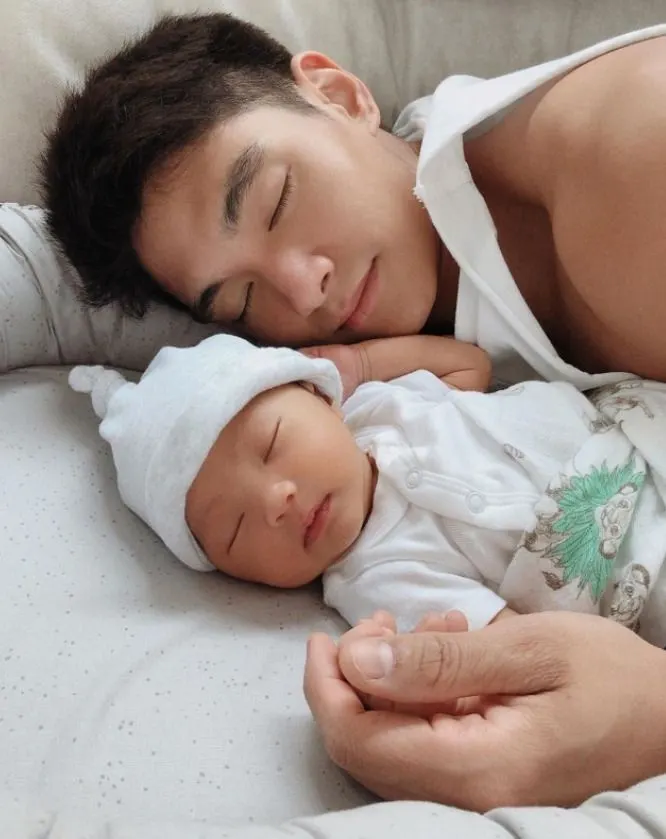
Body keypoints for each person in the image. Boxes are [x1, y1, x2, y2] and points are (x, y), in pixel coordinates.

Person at [42, 14, 666, 392]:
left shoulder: (627, 152)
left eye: (277, 202)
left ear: (340, 96)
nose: (303, 291)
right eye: (242, 300)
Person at [67, 330, 666, 644]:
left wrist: (359, 363)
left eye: (273, 443)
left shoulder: (382, 405)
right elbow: (517, 638)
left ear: (319, 396)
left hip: (636, 424)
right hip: (635, 564)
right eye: (235, 530)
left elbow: (470, 365)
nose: (276, 502)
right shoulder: (374, 582)